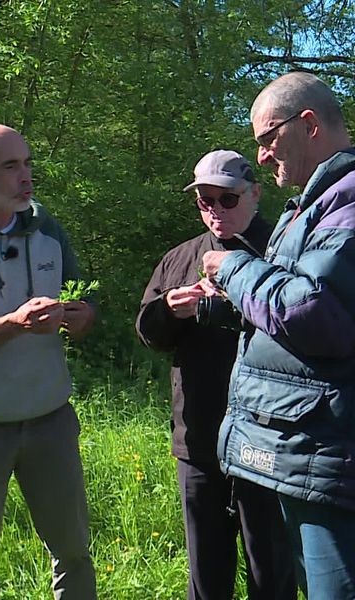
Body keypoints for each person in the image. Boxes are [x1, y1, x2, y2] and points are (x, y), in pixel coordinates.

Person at [202, 71, 355, 600]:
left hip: (332, 454)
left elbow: (313, 310)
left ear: (308, 125)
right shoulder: (312, 206)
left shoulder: (347, 201)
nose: (262, 156)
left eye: (267, 139)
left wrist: (235, 269)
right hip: (311, 448)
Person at [136, 150, 297, 600]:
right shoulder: (181, 257)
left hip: (267, 440)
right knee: (206, 575)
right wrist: (171, 309)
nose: (215, 211)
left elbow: (302, 325)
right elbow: (148, 333)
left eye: (227, 200)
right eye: (205, 201)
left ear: (255, 193)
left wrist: (218, 309)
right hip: (200, 438)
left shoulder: (280, 250)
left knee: (271, 571)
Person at [0, 123, 97, 599]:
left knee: (74, 552)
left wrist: (76, 317)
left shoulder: (48, 230)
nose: (26, 176)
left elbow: (85, 310)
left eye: (29, 163)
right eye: (11, 166)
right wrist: (13, 324)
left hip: (50, 419)